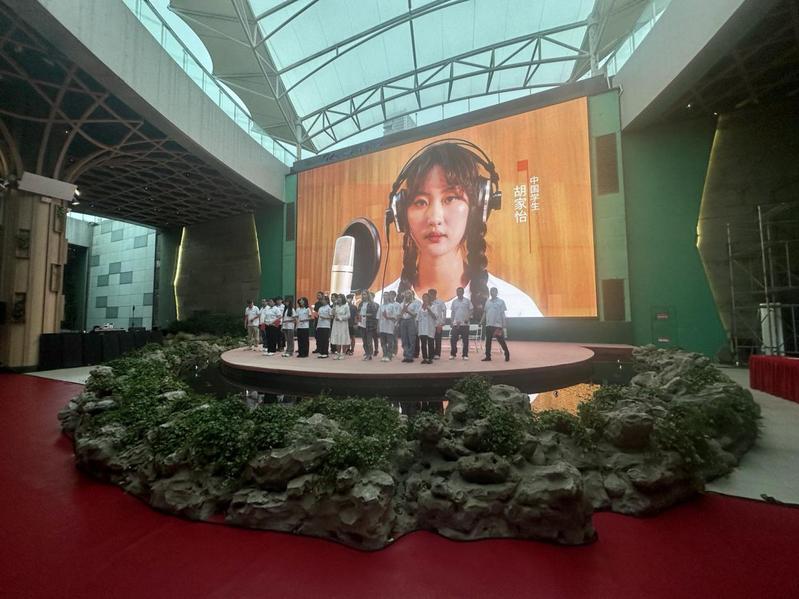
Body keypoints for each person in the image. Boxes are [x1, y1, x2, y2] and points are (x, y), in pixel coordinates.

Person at [378, 141, 542, 318]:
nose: (434, 218)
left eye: (450, 198)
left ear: (477, 208)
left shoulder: (518, 309)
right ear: (401, 214)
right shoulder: (379, 306)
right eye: (420, 202)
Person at [481, 286, 510, 362]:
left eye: (494, 291)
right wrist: (481, 321)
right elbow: (485, 313)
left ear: (497, 293)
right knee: (488, 342)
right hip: (488, 325)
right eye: (491, 291)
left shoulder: (501, 302)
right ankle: (488, 356)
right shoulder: (487, 302)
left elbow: (502, 314)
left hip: (497, 325)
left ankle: (507, 353)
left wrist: (504, 324)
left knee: (501, 341)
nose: (492, 292)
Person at [398, 289, 421, 363]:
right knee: (404, 339)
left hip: (411, 321)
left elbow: (415, 315)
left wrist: (407, 311)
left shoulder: (414, 303)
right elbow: (399, 314)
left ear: (411, 295)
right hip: (403, 321)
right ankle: (406, 355)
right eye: (406, 294)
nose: (407, 295)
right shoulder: (401, 304)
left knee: (411, 339)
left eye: (409, 294)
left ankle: (410, 356)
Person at [450, 286, 472, 360]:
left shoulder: (467, 301)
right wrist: (451, 321)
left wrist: (468, 318)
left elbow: (471, 310)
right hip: (456, 324)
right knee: (453, 339)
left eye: (460, 291)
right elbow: (453, 312)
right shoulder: (454, 302)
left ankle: (465, 355)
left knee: (465, 340)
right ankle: (453, 354)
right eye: (457, 292)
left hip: (465, 324)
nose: (459, 293)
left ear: (463, 292)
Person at [358, 291, 380, 360]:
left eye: (364, 294)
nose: (363, 296)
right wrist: (358, 319)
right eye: (362, 294)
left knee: (369, 341)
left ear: (368, 295)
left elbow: (374, 314)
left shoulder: (372, 304)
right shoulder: (361, 303)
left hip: (369, 324)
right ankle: (367, 353)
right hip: (361, 324)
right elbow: (358, 313)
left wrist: (366, 315)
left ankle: (369, 354)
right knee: (364, 341)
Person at [378, 292, 398, 362]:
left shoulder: (391, 306)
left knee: (390, 342)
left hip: (389, 326)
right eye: (383, 295)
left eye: (386, 295)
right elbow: (378, 317)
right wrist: (378, 327)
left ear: (388, 297)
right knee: (383, 342)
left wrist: (388, 317)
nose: (384, 297)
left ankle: (389, 356)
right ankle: (384, 354)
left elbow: (395, 317)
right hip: (382, 326)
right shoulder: (381, 306)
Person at [417, 292, 437, 364]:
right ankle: (425, 358)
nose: (424, 299)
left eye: (426, 297)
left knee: (430, 343)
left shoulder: (433, 306)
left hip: (430, 327)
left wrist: (429, 309)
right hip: (422, 328)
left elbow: (435, 317)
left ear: (429, 298)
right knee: (423, 343)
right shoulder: (420, 307)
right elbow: (418, 318)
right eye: (423, 297)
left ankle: (430, 358)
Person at [330, 295, 351, 360]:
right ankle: (338, 353)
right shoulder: (335, 306)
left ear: (343, 299)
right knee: (337, 338)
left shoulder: (346, 306)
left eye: (340, 298)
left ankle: (343, 353)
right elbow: (332, 313)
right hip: (336, 324)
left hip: (343, 324)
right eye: (338, 298)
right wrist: (334, 306)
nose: (338, 299)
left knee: (343, 338)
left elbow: (348, 315)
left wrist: (340, 318)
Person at [428, 288, 446, 359]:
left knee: (438, 339)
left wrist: (443, 321)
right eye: (429, 294)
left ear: (435, 294)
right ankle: (431, 353)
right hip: (430, 324)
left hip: (438, 323)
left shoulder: (440, 302)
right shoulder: (428, 303)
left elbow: (444, 311)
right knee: (430, 339)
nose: (430, 296)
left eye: (431, 294)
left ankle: (437, 354)